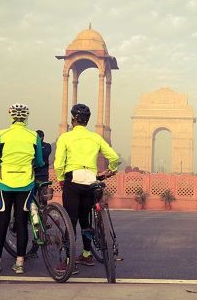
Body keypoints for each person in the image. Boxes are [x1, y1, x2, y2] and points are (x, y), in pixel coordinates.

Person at [54, 103, 119, 274]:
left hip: (73, 180)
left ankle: (69, 261)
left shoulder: (65, 137)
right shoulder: (95, 138)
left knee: (71, 221)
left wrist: (61, 179)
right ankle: (87, 254)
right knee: (85, 219)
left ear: (72, 120)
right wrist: (111, 169)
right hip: (91, 180)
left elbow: (59, 163)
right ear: (87, 121)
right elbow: (113, 157)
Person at [0, 103, 43, 274]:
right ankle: (20, 262)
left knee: (2, 222)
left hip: (5, 183)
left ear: (11, 117)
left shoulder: (1, 134)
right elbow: (40, 161)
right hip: (26, 184)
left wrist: (3, 166)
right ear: (26, 117)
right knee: (21, 222)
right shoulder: (34, 136)